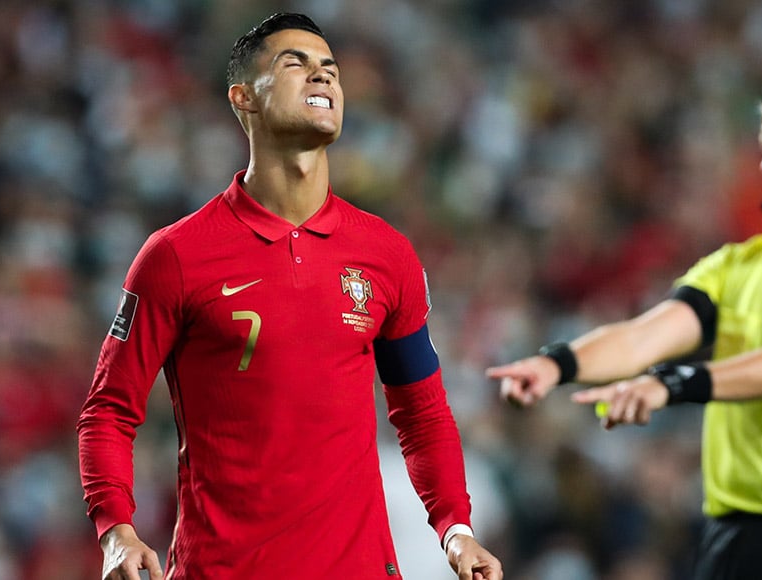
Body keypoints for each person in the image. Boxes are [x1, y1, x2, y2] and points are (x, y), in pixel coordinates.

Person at [77, 12, 503, 580]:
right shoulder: (176, 256)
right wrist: (116, 531)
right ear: (243, 98)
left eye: (330, 69)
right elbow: (108, 411)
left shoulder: (386, 253)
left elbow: (421, 413)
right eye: (295, 65)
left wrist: (455, 530)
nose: (322, 78)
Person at [487, 65, 762, 580]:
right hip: (733, 537)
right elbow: (646, 335)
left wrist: (672, 385)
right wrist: (557, 364)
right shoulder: (737, 267)